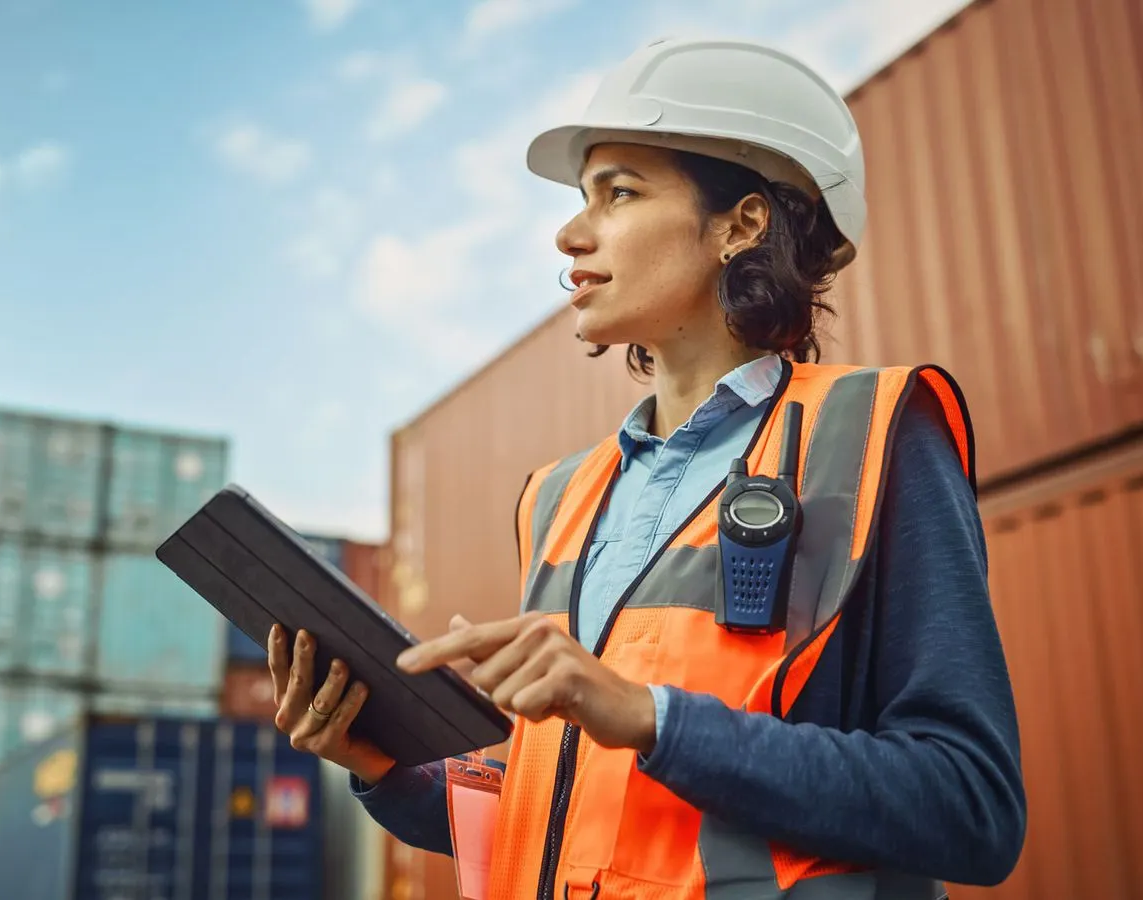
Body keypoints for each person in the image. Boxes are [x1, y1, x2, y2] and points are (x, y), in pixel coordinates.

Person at [266, 36, 1026, 899]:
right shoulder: (558, 498)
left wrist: (650, 715)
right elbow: (567, 821)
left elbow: (973, 808)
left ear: (740, 224)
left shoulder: (876, 433)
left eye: (617, 192)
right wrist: (383, 767)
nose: (567, 231)